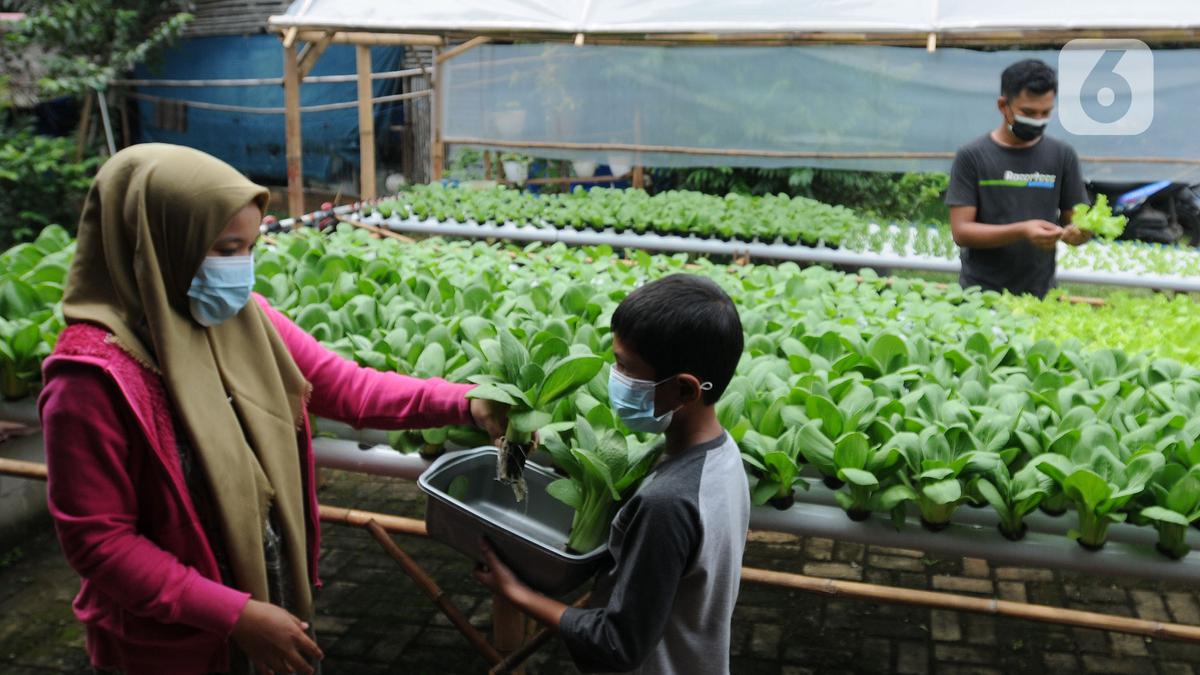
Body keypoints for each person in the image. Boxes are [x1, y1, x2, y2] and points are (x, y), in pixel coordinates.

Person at [38, 143, 508, 675]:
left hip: (267, 605)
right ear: (156, 245)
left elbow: (348, 388)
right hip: (167, 649)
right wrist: (236, 615)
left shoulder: (245, 320)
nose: (241, 269)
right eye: (223, 249)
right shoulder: (92, 376)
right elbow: (100, 543)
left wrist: (464, 402)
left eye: (250, 247)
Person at [475, 274, 748, 675]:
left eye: (625, 366)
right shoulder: (724, 456)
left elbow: (617, 644)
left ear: (686, 391)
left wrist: (515, 592)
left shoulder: (668, 503)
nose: (614, 375)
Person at [946, 58, 1092, 298]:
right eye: (1028, 112)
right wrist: (1022, 230)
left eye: (1045, 113)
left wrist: (1078, 234)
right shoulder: (972, 156)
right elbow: (961, 232)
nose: (1037, 121)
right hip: (980, 295)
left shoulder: (1061, 155)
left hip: (1040, 295)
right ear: (1003, 106)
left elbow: (1075, 221)